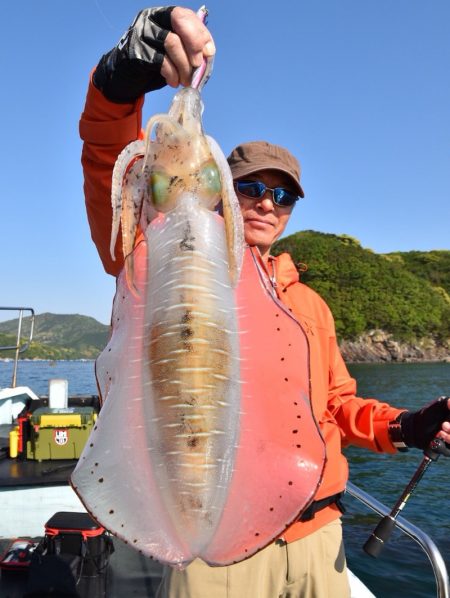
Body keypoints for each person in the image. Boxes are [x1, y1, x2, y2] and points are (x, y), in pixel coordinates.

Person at [80, 7, 450, 597]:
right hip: (215, 554)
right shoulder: (158, 258)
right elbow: (109, 167)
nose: (265, 203)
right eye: (250, 186)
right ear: (220, 189)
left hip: (317, 542)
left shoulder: (311, 306)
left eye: (282, 196)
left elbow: (334, 407)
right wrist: (118, 83)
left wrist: (403, 427)